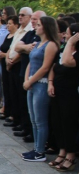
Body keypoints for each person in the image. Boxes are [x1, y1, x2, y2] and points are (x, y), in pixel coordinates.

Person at [21, 16, 60, 162]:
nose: (35, 27)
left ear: (46, 27)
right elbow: (30, 63)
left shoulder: (51, 45)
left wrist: (30, 80)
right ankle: (36, 147)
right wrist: (27, 80)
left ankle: (40, 151)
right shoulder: (37, 44)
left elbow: (45, 67)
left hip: (41, 84)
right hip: (32, 83)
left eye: (38, 25)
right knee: (33, 119)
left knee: (40, 120)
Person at [48, 23, 79, 171]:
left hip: (70, 94)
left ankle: (71, 155)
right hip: (57, 91)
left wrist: (71, 43)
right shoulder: (63, 50)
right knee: (57, 122)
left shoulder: (75, 53)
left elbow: (67, 62)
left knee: (68, 124)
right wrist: (50, 83)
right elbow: (55, 67)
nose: (65, 36)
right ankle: (62, 151)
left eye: (67, 34)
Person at [13, 11, 46, 140]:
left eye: (36, 20)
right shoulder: (30, 33)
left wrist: (24, 48)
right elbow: (17, 47)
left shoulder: (43, 38)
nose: (33, 22)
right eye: (32, 19)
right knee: (23, 102)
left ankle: (34, 135)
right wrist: (26, 47)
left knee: (36, 111)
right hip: (25, 72)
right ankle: (25, 126)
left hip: (37, 78)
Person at [4, 7, 34, 129]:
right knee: (13, 93)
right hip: (11, 63)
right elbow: (13, 47)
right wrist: (7, 59)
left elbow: (22, 51)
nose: (20, 17)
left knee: (21, 95)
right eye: (19, 14)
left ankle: (24, 123)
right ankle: (15, 118)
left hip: (19, 65)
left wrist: (12, 62)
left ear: (30, 17)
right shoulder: (19, 30)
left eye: (23, 15)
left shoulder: (30, 30)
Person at [0, 15, 19, 122]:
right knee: (6, 88)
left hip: (12, 64)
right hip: (4, 64)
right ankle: (6, 110)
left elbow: (13, 51)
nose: (8, 26)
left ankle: (13, 113)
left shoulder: (17, 36)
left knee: (12, 89)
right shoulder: (8, 35)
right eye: (7, 24)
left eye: (10, 24)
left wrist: (4, 55)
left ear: (16, 25)